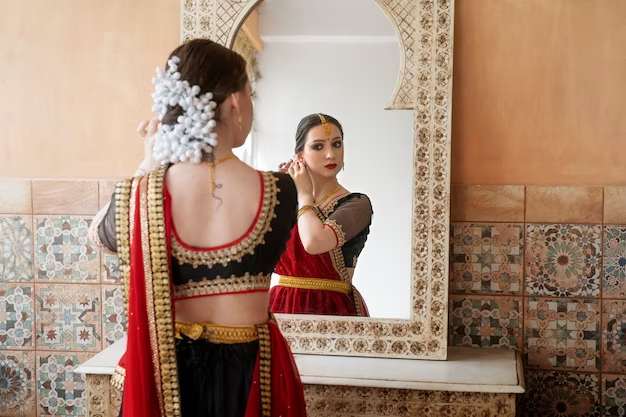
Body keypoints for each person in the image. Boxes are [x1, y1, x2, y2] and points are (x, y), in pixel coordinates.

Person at [89, 39, 306, 417]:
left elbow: (100, 236)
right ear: (236, 102)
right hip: (253, 372)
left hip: (170, 375)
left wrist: (147, 163)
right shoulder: (280, 191)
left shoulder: (143, 195)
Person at [268, 114, 373, 316]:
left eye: (336, 144)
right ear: (300, 157)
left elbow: (314, 242)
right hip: (280, 306)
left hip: (333, 309)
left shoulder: (357, 204)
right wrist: (279, 195)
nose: (330, 155)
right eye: (318, 147)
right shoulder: (288, 202)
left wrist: (304, 194)